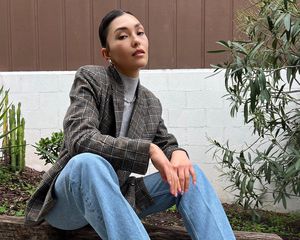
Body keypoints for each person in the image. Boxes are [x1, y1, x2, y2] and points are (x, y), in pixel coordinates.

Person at [25, 9, 236, 240]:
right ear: (107, 53)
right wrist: (148, 150)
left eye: (140, 32)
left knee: (190, 173)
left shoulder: (150, 102)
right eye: (123, 36)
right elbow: (80, 139)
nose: (136, 40)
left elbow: (166, 142)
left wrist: (178, 154)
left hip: (120, 196)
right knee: (87, 163)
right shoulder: (91, 79)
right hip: (69, 203)